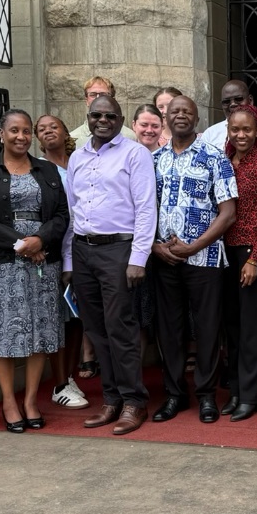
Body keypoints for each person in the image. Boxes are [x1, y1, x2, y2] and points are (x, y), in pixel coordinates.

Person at [0, 109, 68, 433]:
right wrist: (20, 243)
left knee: (40, 330)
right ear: (1, 134)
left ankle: (31, 399)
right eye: (14, 131)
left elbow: (63, 215)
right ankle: (9, 400)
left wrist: (39, 240)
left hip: (43, 262)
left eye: (26, 131)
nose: (21, 137)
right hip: (2, 263)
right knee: (5, 333)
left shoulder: (47, 170)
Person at [66, 93, 157, 437]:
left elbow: (147, 208)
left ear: (121, 120)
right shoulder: (78, 157)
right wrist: (70, 259)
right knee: (95, 328)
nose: (103, 121)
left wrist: (139, 257)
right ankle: (112, 398)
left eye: (110, 116)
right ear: (88, 117)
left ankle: (135, 401)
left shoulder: (135, 154)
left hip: (118, 250)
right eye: (96, 116)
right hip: (83, 249)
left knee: (120, 327)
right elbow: (73, 210)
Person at [152, 94, 238, 423]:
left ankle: (206, 395)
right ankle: (175, 394)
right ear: (166, 118)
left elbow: (228, 213)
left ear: (197, 118)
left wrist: (194, 246)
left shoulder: (215, 157)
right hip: (164, 258)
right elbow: (143, 210)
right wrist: (155, 247)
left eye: (187, 111)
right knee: (169, 329)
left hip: (205, 258)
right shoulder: (153, 159)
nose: (181, 116)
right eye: (175, 111)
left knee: (207, 328)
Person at [220, 104, 257, 422]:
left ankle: (251, 395)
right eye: (235, 129)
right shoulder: (224, 162)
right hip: (224, 253)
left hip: (250, 254)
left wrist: (255, 259)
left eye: (247, 129)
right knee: (232, 324)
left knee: (251, 326)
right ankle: (236, 391)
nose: (241, 134)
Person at [35, 114, 92, 408]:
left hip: (84, 248)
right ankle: (60, 382)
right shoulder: (38, 170)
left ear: (64, 131)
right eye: (41, 129)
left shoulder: (82, 159)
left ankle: (70, 376)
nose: (48, 131)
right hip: (55, 251)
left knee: (77, 318)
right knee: (60, 319)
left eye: (53, 126)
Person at [199, 79, 257, 151]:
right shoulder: (210, 134)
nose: (232, 104)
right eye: (226, 101)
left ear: (250, 100)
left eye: (238, 99)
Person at [68, 76, 136, 145]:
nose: (98, 98)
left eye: (103, 94)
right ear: (86, 100)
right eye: (93, 94)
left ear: (113, 99)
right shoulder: (74, 138)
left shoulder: (129, 136)